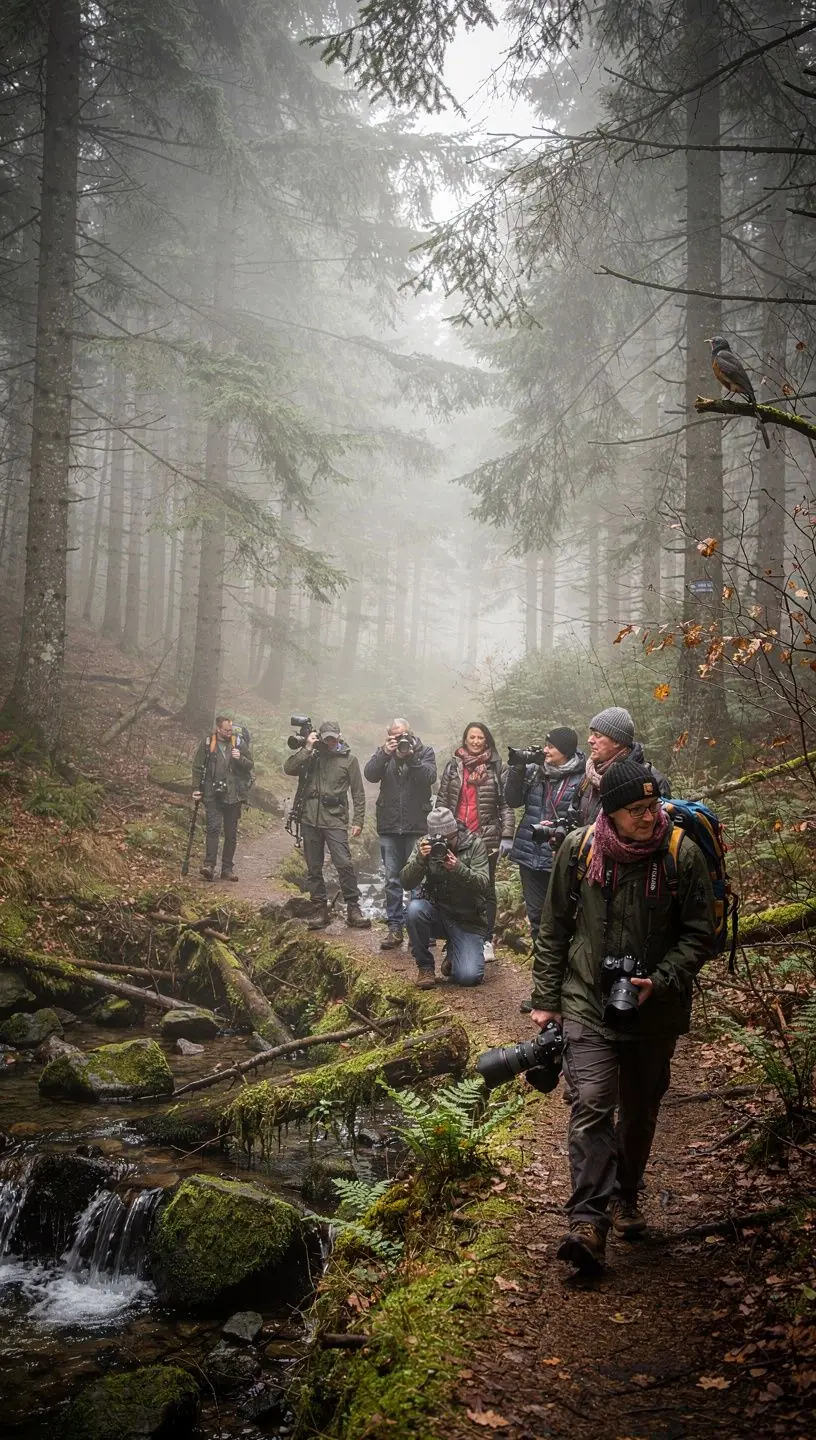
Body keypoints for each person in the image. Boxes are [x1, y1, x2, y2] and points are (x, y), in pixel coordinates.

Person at [531, 761, 714, 1276]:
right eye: (637, 810)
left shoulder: (681, 853)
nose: (649, 817)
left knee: (638, 1111)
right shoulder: (579, 850)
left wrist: (662, 978)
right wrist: (545, 1000)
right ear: (610, 811)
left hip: (654, 1010)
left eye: (653, 806)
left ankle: (626, 1196)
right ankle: (588, 1223)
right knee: (592, 1103)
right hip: (586, 998)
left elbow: (701, 934)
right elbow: (554, 930)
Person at [505, 727, 585, 1014]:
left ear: (566, 749)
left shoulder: (583, 777)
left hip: (562, 858)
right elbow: (512, 800)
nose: (546, 750)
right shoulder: (535, 771)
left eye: (551, 746)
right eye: (546, 746)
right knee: (538, 922)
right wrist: (516, 768)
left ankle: (571, 989)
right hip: (530, 855)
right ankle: (544, 991)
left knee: (565, 922)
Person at [436, 721, 513, 962]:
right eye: (472, 737)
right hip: (456, 836)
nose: (476, 741)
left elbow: (506, 804)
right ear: (465, 740)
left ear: (486, 740)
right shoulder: (454, 766)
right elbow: (442, 799)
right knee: (453, 887)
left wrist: (508, 834)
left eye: (480, 737)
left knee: (486, 889)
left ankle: (486, 939)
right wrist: (438, 829)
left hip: (486, 837)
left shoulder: (496, 767)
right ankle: (454, 940)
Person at [283, 719, 370, 931]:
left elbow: (358, 793)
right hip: (309, 818)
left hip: (335, 819)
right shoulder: (312, 755)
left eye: (333, 737)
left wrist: (358, 821)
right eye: (326, 737)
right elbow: (289, 768)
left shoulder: (349, 760)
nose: (330, 741)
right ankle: (320, 909)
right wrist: (307, 748)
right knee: (313, 867)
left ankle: (353, 908)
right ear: (320, 736)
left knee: (344, 863)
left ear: (339, 736)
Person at [364, 718, 437, 951]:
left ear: (411, 733)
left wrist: (412, 756)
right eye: (395, 736)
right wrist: (386, 753)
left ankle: (422, 928)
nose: (400, 739)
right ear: (389, 736)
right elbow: (370, 774)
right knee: (392, 880)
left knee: (419, 880)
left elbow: (429, 778)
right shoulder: (384, 753)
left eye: (404, 734)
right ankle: (394, 928)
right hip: (389, 825)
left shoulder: (424, 752)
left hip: (417, 825)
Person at [400, 806, 489, 989]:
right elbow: (405, 882)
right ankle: (425, 967)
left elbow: (483, 885)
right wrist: (420, 860)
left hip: (468, 920)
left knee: (467, 977)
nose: (444, 844)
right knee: (414, 909)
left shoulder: (474, 844)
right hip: (438, 913)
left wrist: (459, 869)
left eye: (448, 839)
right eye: (438, 840)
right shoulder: (424, 845)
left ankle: (454, 951)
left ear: (455, 832)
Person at [567, 706, 670, 828]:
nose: (590, 740)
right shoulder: (590, 774)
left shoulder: (651, 779)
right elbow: (573, 813)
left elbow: (658, 828)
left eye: (597, 735)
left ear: (616, 741)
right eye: (591, 734)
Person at [192, 714, 254, 882]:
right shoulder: (207, 744)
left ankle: (227, 869)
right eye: (226, 730)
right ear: (218, 728)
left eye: (231, 729)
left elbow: (250, 764)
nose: (229, 733)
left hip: (233, 795)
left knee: (231, 833)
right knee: (213, 828)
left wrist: (239, 757)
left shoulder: (239, 743)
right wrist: (196, 789)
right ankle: (209, 865)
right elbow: (197, 768)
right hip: (212, 794)